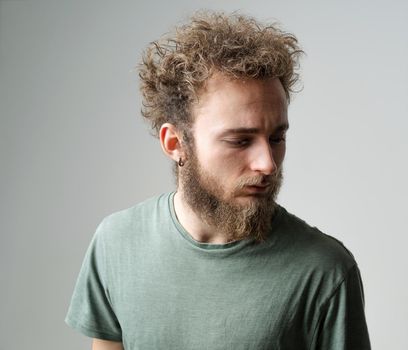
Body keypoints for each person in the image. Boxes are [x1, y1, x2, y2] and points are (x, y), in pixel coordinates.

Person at [65, 11, 371, 350]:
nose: (267, 164)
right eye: (240, 141)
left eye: (276, 138)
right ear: (175, 143)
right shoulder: (116, 243)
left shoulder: (325, 270)